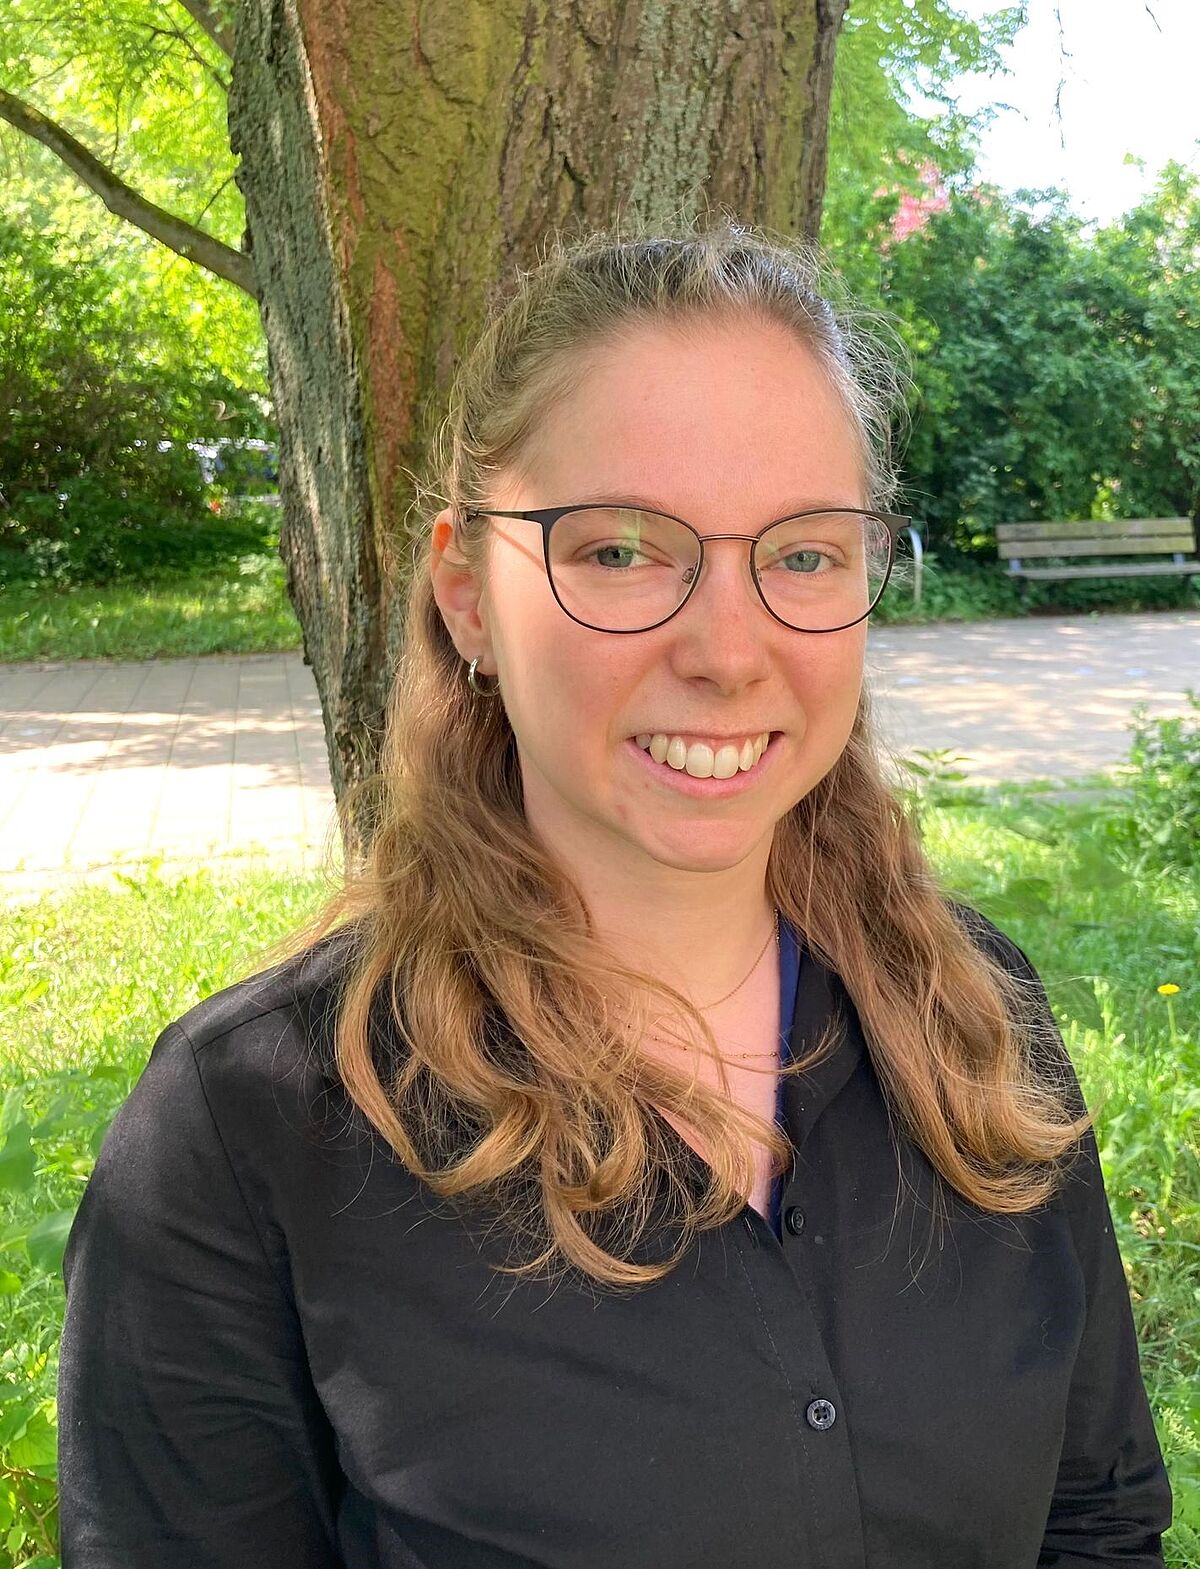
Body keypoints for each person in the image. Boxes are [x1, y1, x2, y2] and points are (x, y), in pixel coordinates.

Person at [57, 219, 1172, 1568]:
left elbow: (1097, 1518)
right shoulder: (247, 1134)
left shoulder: (975, 1020)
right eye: (623, 550)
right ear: (467, 594)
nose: (729, 650)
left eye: (804, 554)